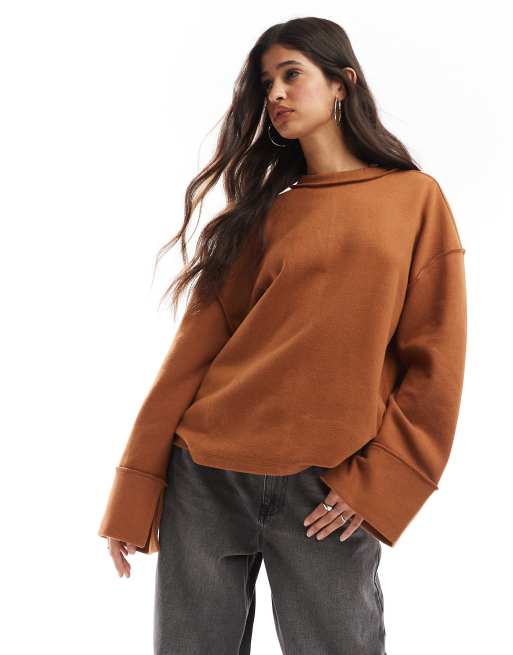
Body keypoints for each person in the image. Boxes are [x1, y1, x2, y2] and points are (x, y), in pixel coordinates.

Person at [98, 16, 467, 655]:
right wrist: (135, 488)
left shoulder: (414, 199)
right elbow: (190, 358)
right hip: (208, 477)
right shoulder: (263, 213)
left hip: (328, 486)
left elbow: (436, 359)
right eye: (266, 83)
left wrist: (382, 480)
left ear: (342, 83)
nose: (275, 94)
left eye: (292, 75)